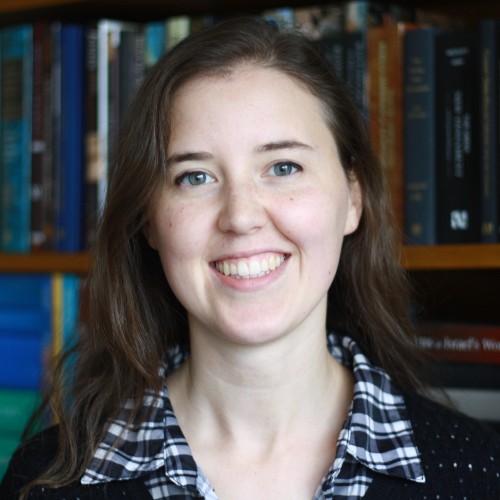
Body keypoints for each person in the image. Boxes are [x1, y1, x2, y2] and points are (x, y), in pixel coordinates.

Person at [1, 17, 499, 500]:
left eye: (283, 167)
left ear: (353, 198)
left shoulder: (477, 472)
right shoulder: (44, 483)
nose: (240, 217)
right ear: (148, 220)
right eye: (195, 177)